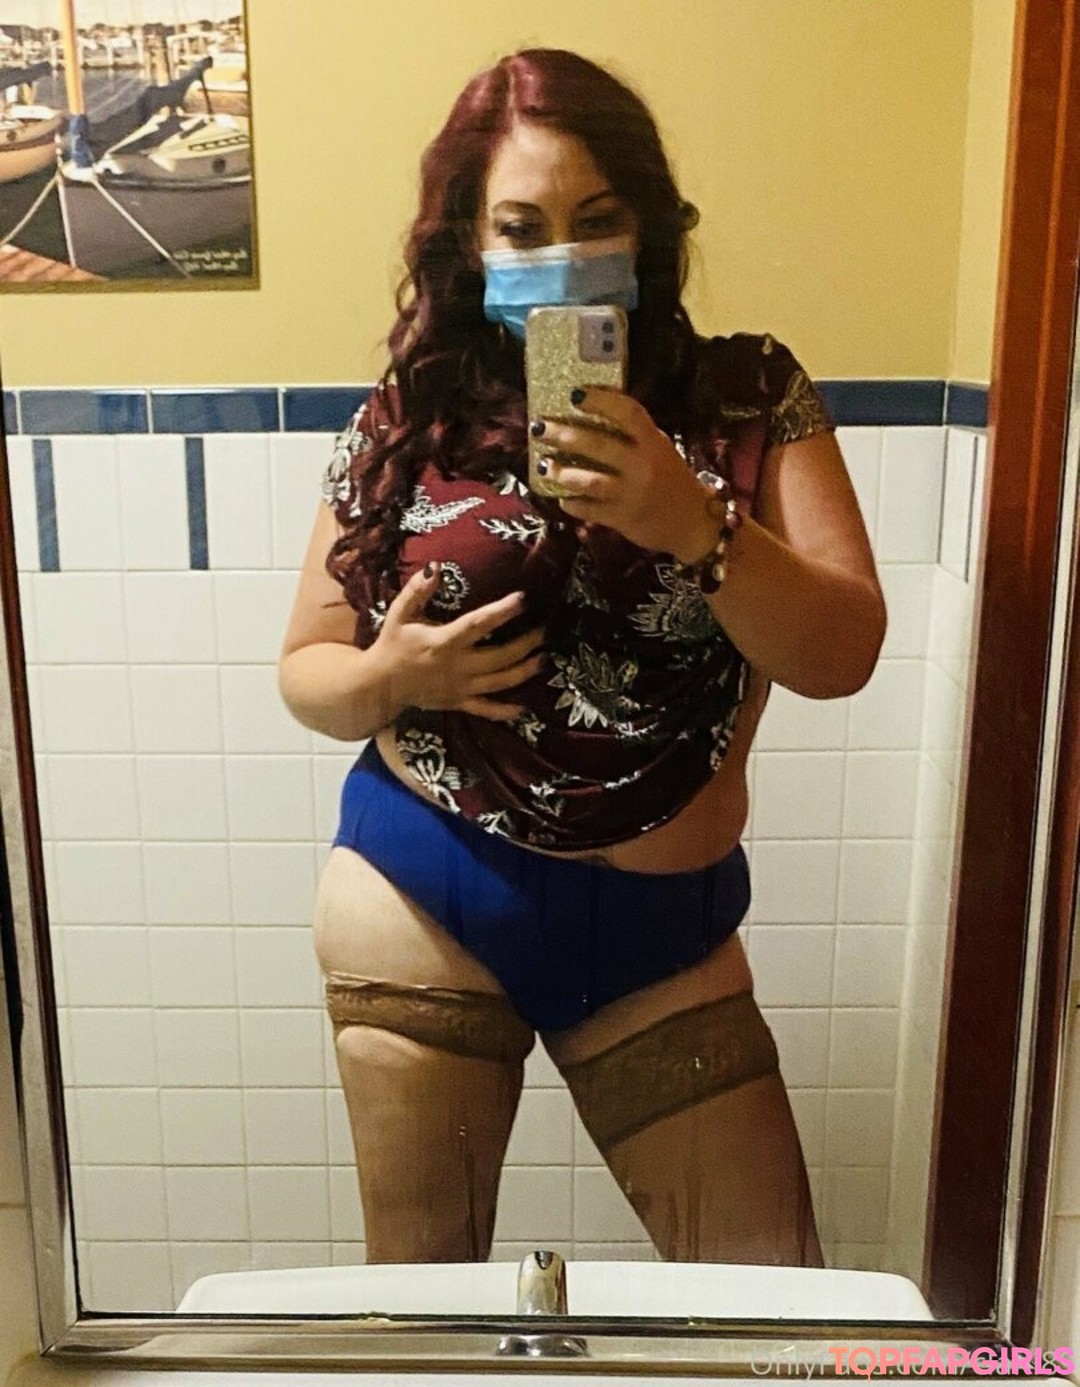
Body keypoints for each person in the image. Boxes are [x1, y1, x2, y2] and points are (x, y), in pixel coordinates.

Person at [279, 48, 886, 1268]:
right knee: (426, 1303)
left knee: (775, 1300)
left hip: (664, 926)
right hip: (424, 889)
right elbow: (307, 667)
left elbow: (843, 652)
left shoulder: (750, 395)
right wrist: (398, 677)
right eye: (522, 227)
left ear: (647, 225)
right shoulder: (414, 408)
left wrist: (691, 518)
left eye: (596, 220)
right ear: (471, 242)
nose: (560, 253)